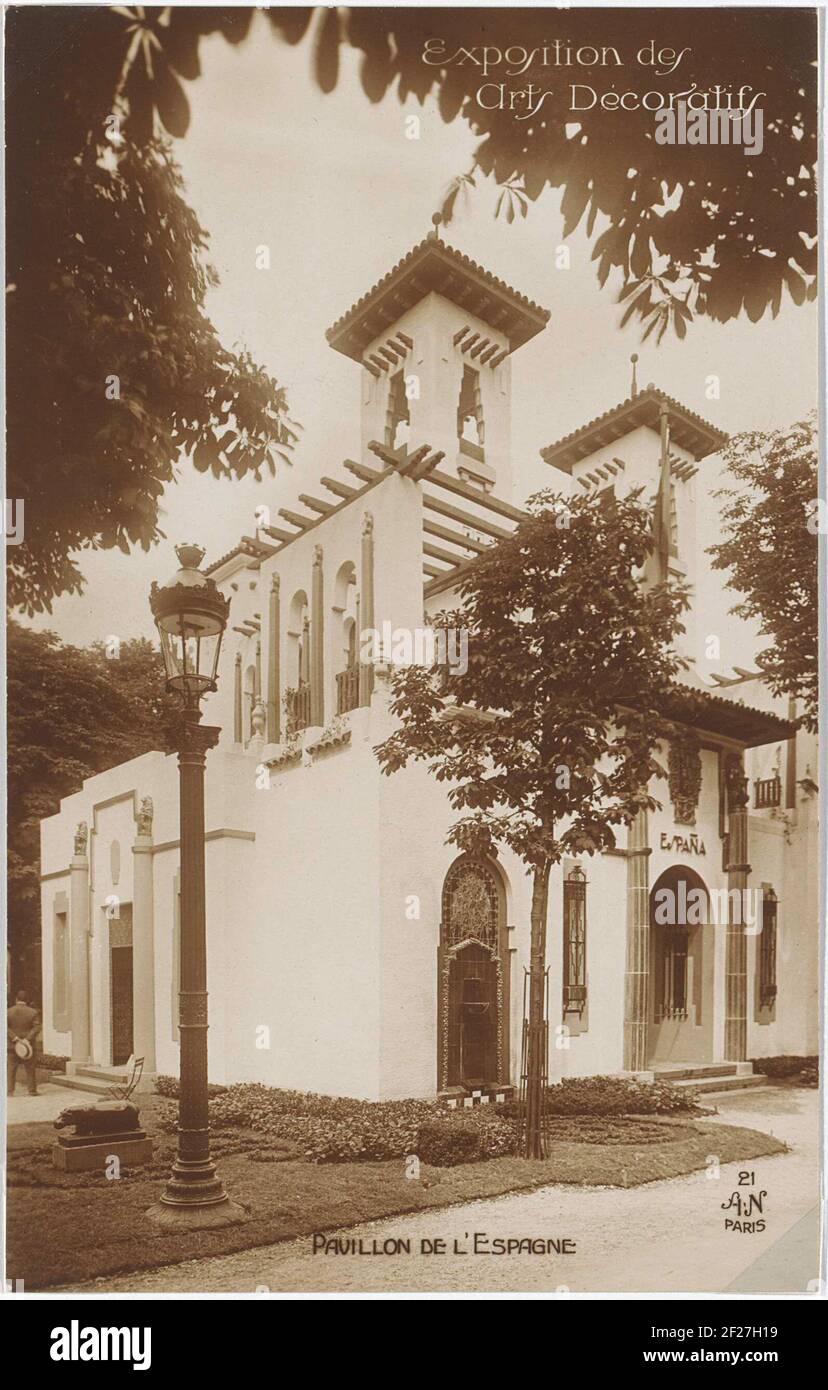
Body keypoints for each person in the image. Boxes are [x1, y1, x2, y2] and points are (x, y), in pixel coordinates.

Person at [7, 990, 41, 1096]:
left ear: (16, 999)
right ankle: (32, 1090)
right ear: (27, 1000)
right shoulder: (33, 1012)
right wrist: (27, 1039)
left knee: (11, 1068)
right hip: (28, 1046)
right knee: (30, 1067)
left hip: (12, 1045)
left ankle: (9, 1091)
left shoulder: (8, 1011)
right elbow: (37, 1027)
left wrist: (15, 1038)